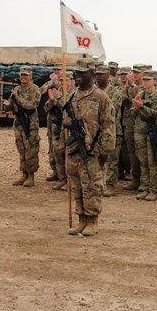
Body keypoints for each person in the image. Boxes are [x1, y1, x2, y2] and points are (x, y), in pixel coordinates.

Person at [65, 63, 115, 236]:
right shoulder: (72, 96)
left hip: (93, 151)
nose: (78, 76)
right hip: (74, 150)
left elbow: (108, 125)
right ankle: (81, 219)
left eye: (82, 73)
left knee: (92, 186)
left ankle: (92, 221)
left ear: (92, 74)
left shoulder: (101, 97)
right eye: (76, 73)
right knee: (76, 184)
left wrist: (105, 151)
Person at [3, 66, 42, 187]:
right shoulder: (17, 89)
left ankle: (31, 176)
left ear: (31, 76)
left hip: (30, 125)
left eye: (26, 75)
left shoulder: (35, 89)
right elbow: (12, 105)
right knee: (21, 149)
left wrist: (19, 99)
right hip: (19, 124)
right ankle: (24, 174)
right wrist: (8, 105)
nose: (23, 77)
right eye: (21, 75)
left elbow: (33, 105)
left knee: (31, 149)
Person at [133, 70, 157, 201]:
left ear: (155, 81)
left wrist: (142, 107)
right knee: (143, 161)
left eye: (148, 80)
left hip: (153, 132)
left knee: (153, 162)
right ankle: (145, 187)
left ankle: (153, 189)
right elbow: (131, 111)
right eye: (144, 80)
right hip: (140, 130)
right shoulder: (140, 94)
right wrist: (136, 107)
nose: (145, 82)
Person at [96, 65, 122, 196]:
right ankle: (99, 182)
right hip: (95, 131)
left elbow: (113, 110)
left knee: (111, 158)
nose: (98, 76)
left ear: (108, 75)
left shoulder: (115, 92)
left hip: (111, 130)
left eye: (101, 74)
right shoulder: (92, 91)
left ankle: (110, 184)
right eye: (97, 74)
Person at [40, 67, 66, 184]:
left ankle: (64, 177)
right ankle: (56, 171)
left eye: (59, 70)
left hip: (63, 124)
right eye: (54, 70)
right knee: (52, 147)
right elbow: (42, 92)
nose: (56, 72)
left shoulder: (70, 92)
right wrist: (51, 83)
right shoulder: (51, 85)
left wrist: (57, 99)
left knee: (61, 149)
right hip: (52, 122)